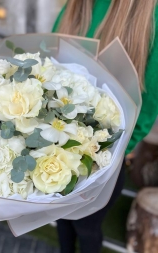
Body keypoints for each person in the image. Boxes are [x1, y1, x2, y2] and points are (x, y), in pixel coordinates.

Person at [52, 0, 158, 252]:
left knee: (87, 228)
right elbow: (50, 60)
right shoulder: (78, 5)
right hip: (55, 148)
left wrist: (105, 155)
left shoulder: (150, 14)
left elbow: (147, 109)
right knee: (62, 221)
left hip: (103, 160)